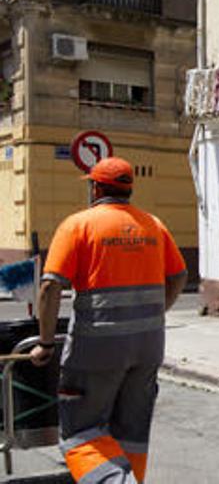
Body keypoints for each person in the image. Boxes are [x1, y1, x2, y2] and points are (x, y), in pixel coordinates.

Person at [30, 157, 188, 483]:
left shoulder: (78, 225)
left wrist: (45, 343)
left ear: (96, 187)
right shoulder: (153, 225)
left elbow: (49, 287)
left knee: (79, 433)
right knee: (131, 431)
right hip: (148, 346)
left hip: (96, 349)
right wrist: (156, 314)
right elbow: (179, 275)